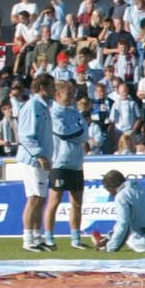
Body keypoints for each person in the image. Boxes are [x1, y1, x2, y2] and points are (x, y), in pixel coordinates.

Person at [45, 79, 88, 249]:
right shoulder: (53, 113)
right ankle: (49, 237)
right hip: (60, 163)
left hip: (76, 163)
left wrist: (76, 131)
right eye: (68, 94)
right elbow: (63, 132)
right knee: (54, 202)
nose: (71, 97)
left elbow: (84, 135)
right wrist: (77, 130)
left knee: (77, 202)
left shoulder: (74, 112)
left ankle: (75, 238)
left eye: (72, 94)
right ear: (57, 95)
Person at [16, 71, 54, 251]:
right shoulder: (32, 106)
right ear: (42, 87)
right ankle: (28, 239)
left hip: (42, 159)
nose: (54, 90)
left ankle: (37, 237)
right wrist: (40, 155)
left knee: (40, 199)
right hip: (33, 160)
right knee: (34, 198)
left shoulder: (44, 106)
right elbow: (25, 135)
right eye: (51, 87)